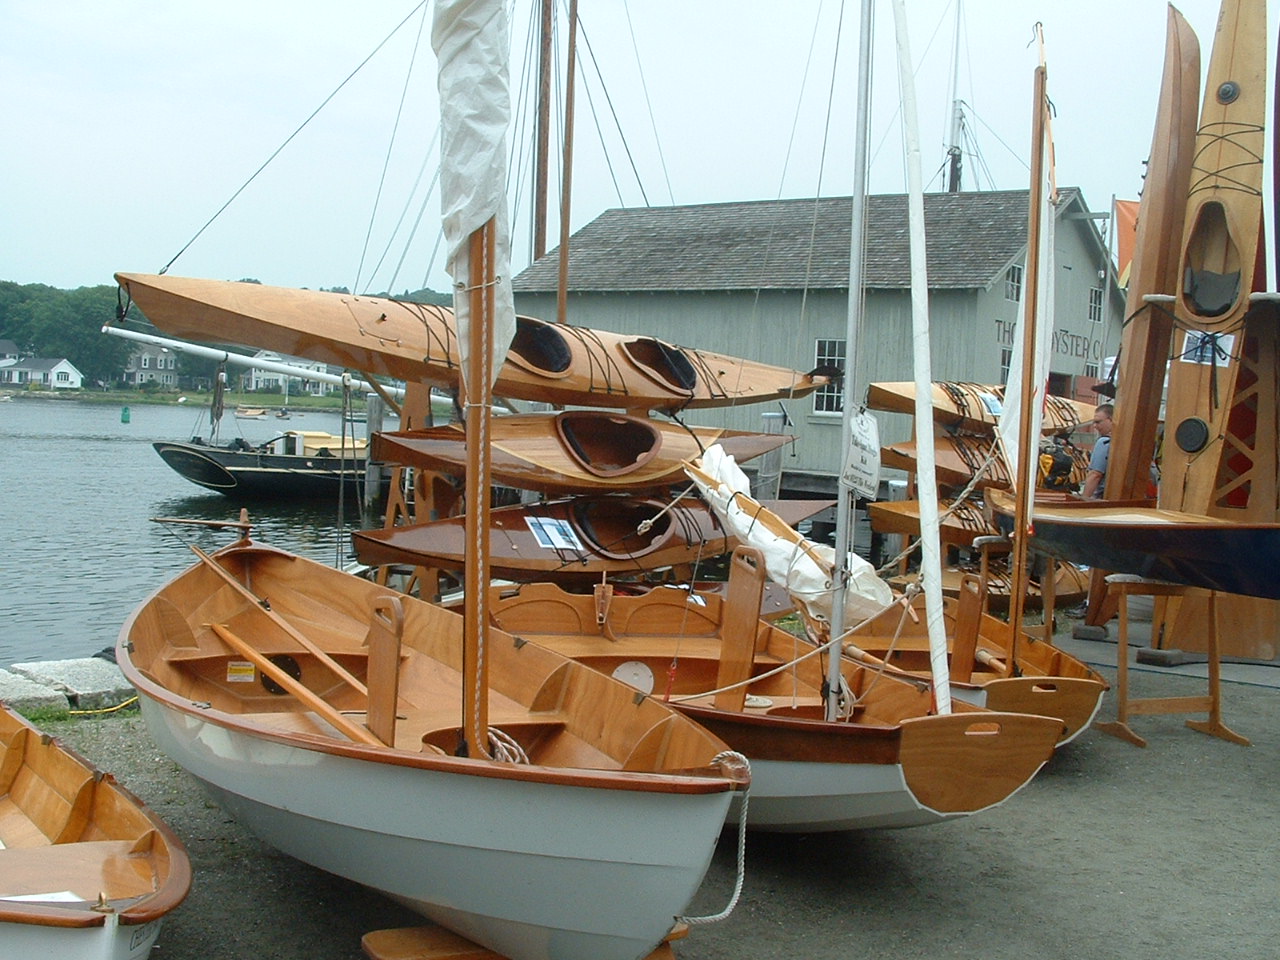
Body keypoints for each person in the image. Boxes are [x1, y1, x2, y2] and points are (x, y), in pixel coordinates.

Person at [1080, 402, 1113, 498]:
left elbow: (1095, 475)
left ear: (1111, 420)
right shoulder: (1124, 442)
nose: (1094, 426)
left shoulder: (1104, 442)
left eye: (1098, 422)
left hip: (1102, 500)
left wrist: (1083, 501)